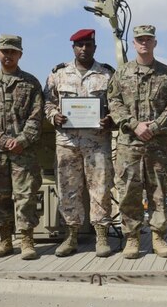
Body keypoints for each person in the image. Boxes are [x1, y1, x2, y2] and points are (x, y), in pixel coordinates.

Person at [108, 25, 167, 259]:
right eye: (140, 39)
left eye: (148, 39)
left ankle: (158, 237)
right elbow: (114, 102)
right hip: (129, 143)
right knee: (129, 191)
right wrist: (133, 123)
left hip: (157, 144)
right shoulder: (121, 73)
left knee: (159, 191)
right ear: (134, 42)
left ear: (155, 43)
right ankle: (132, 238)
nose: (144, 43)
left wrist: (156, 126)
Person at [44, 28, 115, 258]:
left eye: (88, 45)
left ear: (95, 47)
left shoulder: (106, 75)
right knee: (68, 190)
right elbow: (47, 103)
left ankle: (101, 235)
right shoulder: (58, 74)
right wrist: (53, 115)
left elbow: (117, 104)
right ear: (73, 47)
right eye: (79, 45)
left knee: (101, 189)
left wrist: (111, 119)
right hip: (67, 142)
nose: (84, 49)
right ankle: (71, 235)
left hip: (97, 142)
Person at [0, 35, 44, 260]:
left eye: (13, 51)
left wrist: (22, 140)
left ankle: (26, 241)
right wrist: (3, 139)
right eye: (4, 51)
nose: (8, 55)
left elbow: (37, 116)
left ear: (20, 54)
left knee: (26, 196)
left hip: (24, 152)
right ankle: (5, 240)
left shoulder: (31, 82)